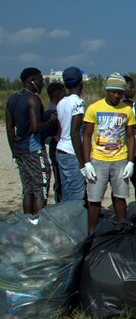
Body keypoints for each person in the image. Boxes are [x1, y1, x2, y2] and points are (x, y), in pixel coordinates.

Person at [82, 73, 136, 234]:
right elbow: (86, 135)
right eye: (113, 92)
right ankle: (92, 232)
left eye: (120, 93)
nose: (117, 96)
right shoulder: (94, 108)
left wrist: (131, 162)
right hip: (98, 159)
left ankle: (121, 229)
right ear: (108, 91)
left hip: (120, 158)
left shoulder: (127, 110)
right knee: (95, 199)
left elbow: (130, 137)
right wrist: (87, 162)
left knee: (120, 196)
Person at [5, 67, 55, 214]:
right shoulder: (32, 99)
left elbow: (9, 128)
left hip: (20, 150)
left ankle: (27, 223)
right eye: (40, 81)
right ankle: (38, 225)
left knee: (28, 190)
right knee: (41, 189)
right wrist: (51, 121)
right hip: (34, 150)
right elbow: (35, 127)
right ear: (30, 81)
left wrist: (14, 153)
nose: (42, 85)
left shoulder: (12, 99)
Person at [56, 66, 87, 202]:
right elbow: (74, 133)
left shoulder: (61, 102)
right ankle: (75, 222)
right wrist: (82, 163)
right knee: (77, 192)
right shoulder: (78, 103)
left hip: (61, 149)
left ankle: (65, 220)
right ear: (81, 81)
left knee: (66, 190)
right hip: (71, 151)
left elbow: (61, 128)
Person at [120, 76, 136, 214]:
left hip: (134, 150)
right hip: (118, 151)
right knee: (119, 185)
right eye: (131, 87)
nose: (134, 90)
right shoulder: (117, 106)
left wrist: (127, 124)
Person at [43, 82, 66, 203]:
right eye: (63, 93)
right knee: (59, 181)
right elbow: (44, 137)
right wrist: (54, 139)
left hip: (65, 150)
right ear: (56, 94)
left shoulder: (61, 109)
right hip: (56, 151)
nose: (65, 95)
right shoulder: (49, 113)